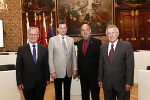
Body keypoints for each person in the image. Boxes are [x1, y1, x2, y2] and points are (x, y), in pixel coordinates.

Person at [98, 25, 134, 100]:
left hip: (122, 84)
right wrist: (100, 79)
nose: (111, 35)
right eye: (109, 33)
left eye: (113, 33)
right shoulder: (103, 47)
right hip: (107, 83)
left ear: (117, 34)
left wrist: (129, 82)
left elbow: (130, 66)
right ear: (106, 35)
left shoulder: (126, 46)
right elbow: (101, 64)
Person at [16, 27, 50, 100]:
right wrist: (19, 82)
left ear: (38, 36)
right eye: (31, 34)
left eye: (35, 34)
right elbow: (19, 67)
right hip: (26, 83)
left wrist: (47, 78)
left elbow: (46, 65)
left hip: (41, 82)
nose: (33, 36)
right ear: (28, 35)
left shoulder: (44, 48)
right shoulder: (21, 49)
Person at [48, 20, 77, 100]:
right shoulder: (52, 40)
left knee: (67, 92)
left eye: (64, 28)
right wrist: (52, 71)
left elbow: (73, 56)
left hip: (68, 71)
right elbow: (50, 57)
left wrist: (75, 68)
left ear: (67, 29)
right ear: (57, 29)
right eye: (61, 28)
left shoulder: (71, 40)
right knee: (58, 94)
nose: (63, 30)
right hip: (57, 72)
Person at [77, 24, 102, 100]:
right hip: (83, 76)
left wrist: (100, 76)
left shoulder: (97, 42)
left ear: (90, 31)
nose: (85, 32)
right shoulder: (79, 43)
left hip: (94, 76)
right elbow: (79, 58)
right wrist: (78, 71)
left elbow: (100, 60)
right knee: (84, 96)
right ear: (81, 32)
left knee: (95, 96)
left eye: (86, 29)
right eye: (83, 30)